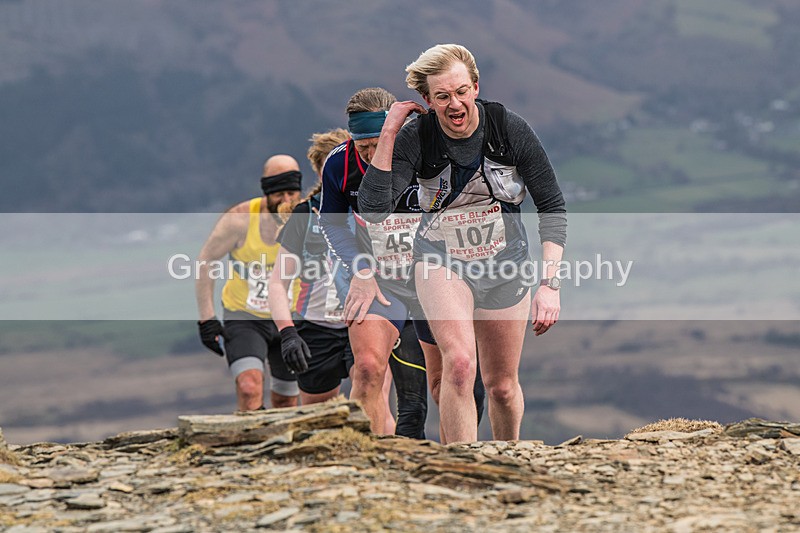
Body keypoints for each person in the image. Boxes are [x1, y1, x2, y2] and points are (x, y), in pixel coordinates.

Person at [358, 44, 567, 443]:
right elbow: (373, 210)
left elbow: (552, 206)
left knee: (502, 386)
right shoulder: (417, 137)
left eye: (460, 92)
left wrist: (549, 285)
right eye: (442, 97)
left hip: (505, 264)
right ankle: (462, 467)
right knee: (458, 365)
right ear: (428, 100)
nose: (454, 104)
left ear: (474, 87)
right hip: (441, 261)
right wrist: (389, 132)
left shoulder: (508, 129)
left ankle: (510, 463)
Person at [318, 87, 439, 436]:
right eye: (363, 147)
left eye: (378, 143)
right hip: (381, 282)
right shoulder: (340, 164)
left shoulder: (425, 153)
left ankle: (457, 465)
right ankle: (365, 463)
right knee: (369, 368)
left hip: (435, 279)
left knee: (448, 378)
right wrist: (361, 268)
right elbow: (331, 222)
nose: (371, 154)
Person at [195, 155, 303, 411]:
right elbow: (206, 260)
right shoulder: (240, 218)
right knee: (249, 387)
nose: (286, 201)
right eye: (279, 194)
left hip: (292, 317)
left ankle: (280, 449)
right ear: (266, 192)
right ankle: (251, 444)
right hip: (245, 317)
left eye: (291, 193)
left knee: (286, 400)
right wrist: (207, 319)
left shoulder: (306, 216)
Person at [268, 129, 357, 405]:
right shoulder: (304, 214)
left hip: (363, 321)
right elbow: (277, 283)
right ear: (320, 172)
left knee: (370, 392)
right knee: (316, 418)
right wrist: (288, 334)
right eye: (328, 167)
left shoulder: (369, 205)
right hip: (317, 328)